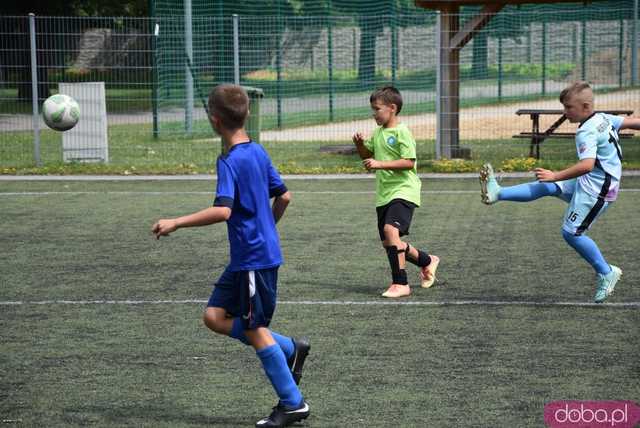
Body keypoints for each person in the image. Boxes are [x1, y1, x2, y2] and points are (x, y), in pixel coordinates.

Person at [152, 84, 310, 427]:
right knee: (213, 316)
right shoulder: (257, 151)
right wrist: (268, 227)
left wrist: (176, 222)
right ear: (247, 114)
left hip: (254, 259)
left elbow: (223, 211)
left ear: (213, 119)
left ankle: (292, 402)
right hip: (249, 258)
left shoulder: (229, 161)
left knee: (255, 329)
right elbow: (283, 197)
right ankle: (290, 349)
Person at [479, 81, 640, 303]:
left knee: (572, 233)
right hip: (592, 182)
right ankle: (498, 193)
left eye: (568, 107)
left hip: (597, 191)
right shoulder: (602, 118)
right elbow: (632, 123)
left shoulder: (586, 130)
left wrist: (555, 175)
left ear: (584, 106)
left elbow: (587, 164)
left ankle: (606, 271)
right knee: (546, 187)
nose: (565, 112)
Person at [352, 86, 440, 298]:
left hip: (404, 191)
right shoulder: (379, 132)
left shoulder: (402, 132)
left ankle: (401, 284)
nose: (374, 114)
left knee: (391, 231)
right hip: (384, 193)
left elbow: (409, 162)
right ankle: (428, 261)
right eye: (373, 109)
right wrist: (360, 145)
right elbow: (368, 154)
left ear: (392, 108)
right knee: (389, 242)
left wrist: (379, 164)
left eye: (377, 109)